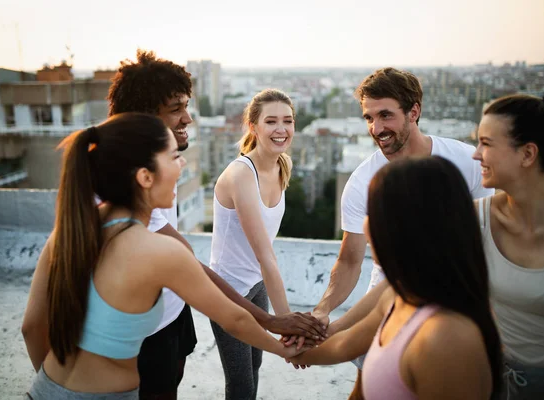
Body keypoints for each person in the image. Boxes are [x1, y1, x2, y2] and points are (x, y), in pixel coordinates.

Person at [21, 113, 306, 400]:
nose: (182, 164)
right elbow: (235, 320)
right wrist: (287, 349)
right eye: (173, 157)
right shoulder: (161, 251)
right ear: (145, 177)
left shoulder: (70, 231)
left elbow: (31, 327)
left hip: (44, 389)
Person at [106, 51, 324, 399]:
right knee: (233, 385)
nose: (189, 118)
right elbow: (189, 260)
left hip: (176, 309)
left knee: (218, 377)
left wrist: (277, 324)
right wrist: (280, 326)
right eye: (177, 108)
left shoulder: (168, 165)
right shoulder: (128, 184)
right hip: (150, 325)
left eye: (288, 120)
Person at [310, 67, 494, 395]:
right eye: (368, 117)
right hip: (383, 299)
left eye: (385, 115)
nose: (376, 128)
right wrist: (322, 312)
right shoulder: (361, 182)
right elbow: (350, 260)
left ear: (414, 112)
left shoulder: (466, 162)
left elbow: (486, 239)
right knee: (369, 385)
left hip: (450, 299)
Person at [290, 156, 503, 400]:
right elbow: (344, 344)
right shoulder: (398, 293)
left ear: (407, 227)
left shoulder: (447, 339)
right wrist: (293, 349)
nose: (367, 225)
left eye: (375, 211)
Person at [209, 89, 303, 399]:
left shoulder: (281, 165)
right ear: (253, 126)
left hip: (256, 284)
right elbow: (266, 256)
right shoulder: (240, 174)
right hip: (229, 291)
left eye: (287, 121)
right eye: (271, 121)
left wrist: (283, 322)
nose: (281, 129)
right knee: (241, 384)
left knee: (255, 364)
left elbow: (263, 259)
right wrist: (286, 322)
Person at [473, 92, 544, 399]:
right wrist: (330, 328)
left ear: (527, 154)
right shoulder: (476, 218)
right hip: (495, 381)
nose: (475, 154)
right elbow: (404, 284)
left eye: (486, 143)